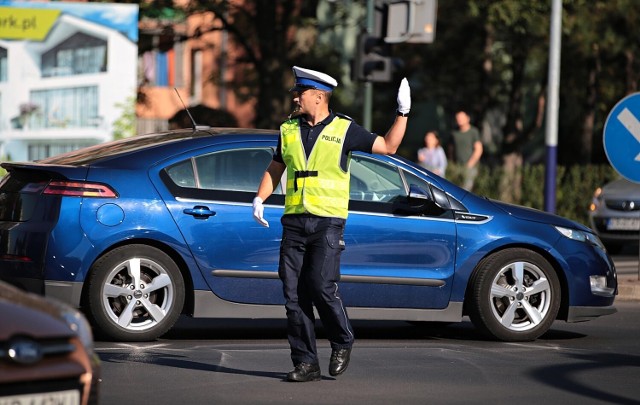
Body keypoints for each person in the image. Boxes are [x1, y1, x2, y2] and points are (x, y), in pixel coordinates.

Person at [252, 66, 411, 382]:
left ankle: (342, 339)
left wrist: (403, 113)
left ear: (318, 96)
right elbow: (275, 168)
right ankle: (306, 363)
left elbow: (389, 146)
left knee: (321, 287)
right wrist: (259, 198)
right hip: (294, 222)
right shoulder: (288, 129)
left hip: (327, 222)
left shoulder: (344, 129)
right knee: (294, 296)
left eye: (300, 93)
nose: (295, 98)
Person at [450, 109, 483, 191]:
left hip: (470, 167)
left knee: (466, 191)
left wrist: (470, 164)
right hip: (457, 167)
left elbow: (479, 149)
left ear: (467, 118)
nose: (459, 120)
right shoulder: (454, 133)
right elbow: (451, 149)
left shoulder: (473, 132)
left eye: (461, 117)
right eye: (457, 118)